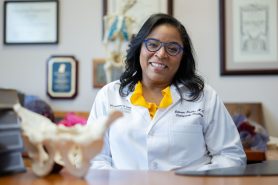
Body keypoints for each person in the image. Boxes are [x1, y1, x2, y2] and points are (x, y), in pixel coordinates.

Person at [87, 13, 246, 171]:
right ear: (139, 48)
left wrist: (195, 180)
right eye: (153, 44)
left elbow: (231, 156)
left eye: (172, 48)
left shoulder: (205, 97)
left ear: (182, 57)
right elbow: (93, 157)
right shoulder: (109, 95)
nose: (161, 54)